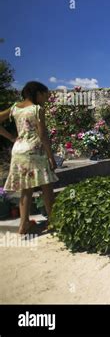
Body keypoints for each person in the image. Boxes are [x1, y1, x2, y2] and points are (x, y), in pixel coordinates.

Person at [0, 81, 58, 234]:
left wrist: (11, 137)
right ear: (37, 93)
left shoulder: (14, 108)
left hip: (18, 150)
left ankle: (24, 224)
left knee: (26, 188)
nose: (45, 99)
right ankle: (53, 221)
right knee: (47, 186)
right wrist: (51, 157)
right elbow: (43, 135)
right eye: (45, 95)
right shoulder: (37, 109)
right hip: (35, 151)